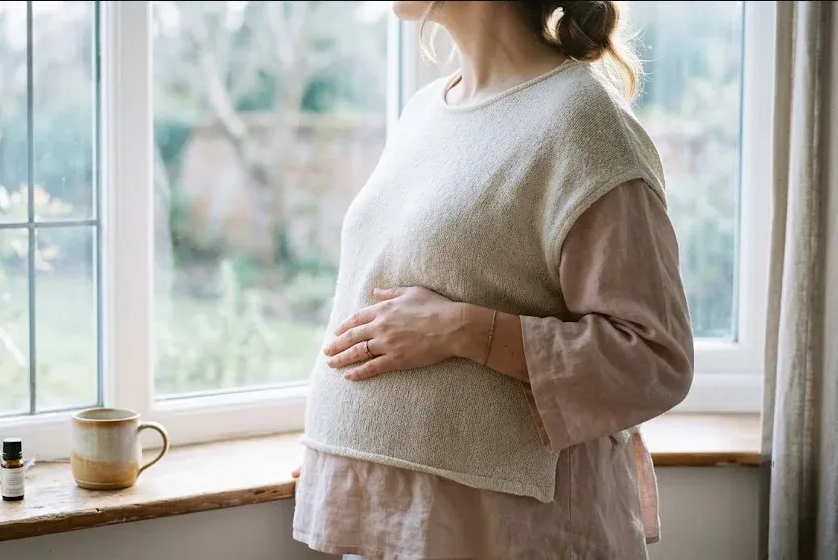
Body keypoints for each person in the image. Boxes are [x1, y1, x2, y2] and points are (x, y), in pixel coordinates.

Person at [291, 1, 695, 559]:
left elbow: (653, 358)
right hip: (405, 513)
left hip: (509, 526)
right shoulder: (425, 110)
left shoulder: (584, 126)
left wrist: (462, 329)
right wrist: (354, 442)